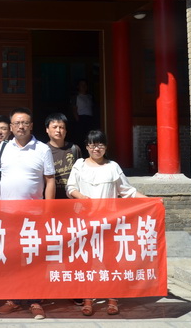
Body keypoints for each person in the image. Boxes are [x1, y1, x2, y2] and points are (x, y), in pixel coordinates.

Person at [67, 129, 147, 317]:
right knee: (86, 262)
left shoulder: (113, 167)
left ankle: (112, 299)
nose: (96, 149)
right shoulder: (79, 165)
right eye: (92, 145)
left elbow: (127, 191)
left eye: (100, 145)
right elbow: (71, 188)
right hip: (85, 222)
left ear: (106, 147)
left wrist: (150, 200)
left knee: (111, 262)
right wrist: (83, 197)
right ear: (87, 146)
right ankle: (88, 299)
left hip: (109, 223)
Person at [0, 107, 55, 320]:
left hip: (34, 215)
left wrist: (48, 210)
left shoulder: (42, 149)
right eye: (17, 123)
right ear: (11, 127)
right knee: (12, 258)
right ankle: (13, 298)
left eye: (25, 123)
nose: (21, 126)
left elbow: (50, 180)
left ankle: (35, 300)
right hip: (8, 214)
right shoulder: (2, 148)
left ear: (31, 126)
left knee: (34, 258)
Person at [45, 113, 82, 199]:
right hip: (51, 199)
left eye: (61, 127)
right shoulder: (43, 150)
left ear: (65, 130)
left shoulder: (74, 149)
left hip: (72, 199)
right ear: (47, 129)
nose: (58, 130)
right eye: (54, 127)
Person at [72, 79, 95, 150]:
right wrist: (77, 120)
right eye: (81, 85)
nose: (83, 86)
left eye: (85, 85)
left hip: (89, 118)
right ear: (78, 86)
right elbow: (74, 109)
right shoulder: (76, 97)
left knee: (90, 136)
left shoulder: (89, 97)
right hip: (81, 118)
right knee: (81, 137)